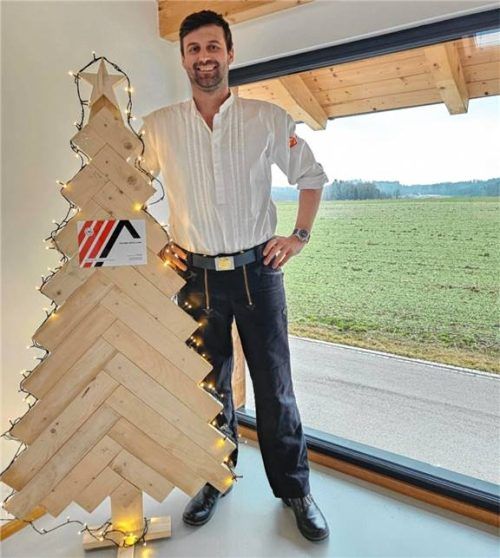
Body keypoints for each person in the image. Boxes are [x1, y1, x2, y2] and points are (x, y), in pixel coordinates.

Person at [139, 10, 330, 542]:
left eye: (212, 47)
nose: (204, 58)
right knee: (207, 387)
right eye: (194, 49)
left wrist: (299, 236)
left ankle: (295, 490)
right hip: (195, 278)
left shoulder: (267, 119)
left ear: (229, 53)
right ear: (183, 59)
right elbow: (130, 191)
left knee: (275, 386)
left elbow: (312, 176)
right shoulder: (158, 127)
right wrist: (157, 242)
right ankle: (214, 478)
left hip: (258, 273)